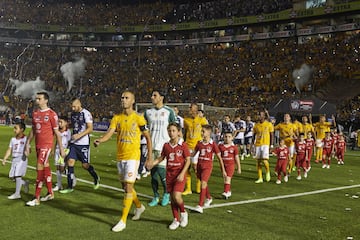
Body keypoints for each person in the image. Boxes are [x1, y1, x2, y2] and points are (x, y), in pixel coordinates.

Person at [93, 90, 152, 232]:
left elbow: (148, 138)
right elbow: (109, 133)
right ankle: (139, 206)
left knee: (129, 187)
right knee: (125, 188)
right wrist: (100, 140)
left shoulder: (139, 119)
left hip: (133, 156)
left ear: (133, 101)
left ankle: (123, 220)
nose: (123, 100)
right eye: (122, 98)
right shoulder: (116, 118)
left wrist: (149, 157)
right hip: (121, 157)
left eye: (126, 98)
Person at [146, 122, 190, 230]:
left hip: (179, 175)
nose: (171, 133)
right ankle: (175, 219)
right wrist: (153, 163)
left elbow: (188, 160)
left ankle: (184, 213)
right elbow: (162, 157)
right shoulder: (166, 145)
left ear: (178, 132)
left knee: (177, 196)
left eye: (173, 130)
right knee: (172, 198)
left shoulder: (183, 145)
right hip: (169, 174)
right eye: (169, 131)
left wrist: (182, 173)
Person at [24, 92, 65, 207]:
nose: (37, 101)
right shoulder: (35, 113)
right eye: (36, 98)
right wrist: (28, 143)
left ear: (46, 100)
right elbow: (33, 130)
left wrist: (61, 149)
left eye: (39, 99)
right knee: (45, 168)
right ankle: (50, 193)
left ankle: (36, 198)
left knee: (39, 168)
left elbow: (57, 133)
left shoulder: (52, 114)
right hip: (38, 145)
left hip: (46, 146)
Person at [60, 98, 100, 193]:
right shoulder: (73, 114)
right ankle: (70, 187)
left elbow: (90, 129)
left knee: (85, 165)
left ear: (79, 104)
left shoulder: (86, 113)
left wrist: (79, 135)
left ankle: (95, 177)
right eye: (72, 106)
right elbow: (75, 126)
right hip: (74, 143)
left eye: (74, 106)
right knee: (70, 162)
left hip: (83, 144)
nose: (73, 108)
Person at [144, 90, 176, 207]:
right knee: (153, 174)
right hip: (151, 147)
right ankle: (156, 196)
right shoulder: (148, 112)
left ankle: (167, 193)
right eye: (152, 95)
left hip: (164, 147)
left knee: (162, 172)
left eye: (155, 95)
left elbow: (176, 128)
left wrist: (176, 143)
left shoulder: (169, 112)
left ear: (161, 97)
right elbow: (142, 127)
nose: (152, 97)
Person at [193, 124, 226, 213]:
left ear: (209, 132)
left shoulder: (213, 145)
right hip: (199, 165)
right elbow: (193, 154)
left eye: (203, 131)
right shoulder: (199, 143)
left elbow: (219, 158)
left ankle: (200, 205)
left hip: (207, 167)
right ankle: (209, 198)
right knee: (203, 183)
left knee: (203, 183)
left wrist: (223, 170)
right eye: (201, 131)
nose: (202, 133)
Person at [183, 103, 208, 195]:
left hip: (197, 147)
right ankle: (188, 188)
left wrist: (205, 143)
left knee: (196, 167)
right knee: (186, 167)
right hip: (187, 146)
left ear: (196, 110)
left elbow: (207, 131)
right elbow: (185, 131)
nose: (191, 111)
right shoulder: (186, 120)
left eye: (192, 109)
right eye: (190, 109)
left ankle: (198, 187)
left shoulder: (202, 120)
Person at [2, 122, 30, 199]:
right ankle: (24, 183)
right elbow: (9, 149)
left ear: (22, 129)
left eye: (16, 128)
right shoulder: (13, 139)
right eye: (14, 128)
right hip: (14, 159)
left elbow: (28, 149)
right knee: (12, 176)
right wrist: (5, 159)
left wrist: (27, 152)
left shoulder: (26, 139)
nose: (14, 130)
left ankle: (17, 194)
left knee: (17, 175)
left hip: (22, 159)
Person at [252, 111, 274, 183]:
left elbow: (271, 135)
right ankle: (260, 177)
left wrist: (271, 145)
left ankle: (267, 171)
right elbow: (254, 135)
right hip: (258, 144)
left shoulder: (268, 124)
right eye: (259, 115)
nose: (259, 116)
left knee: (264, 160)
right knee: (258, 161)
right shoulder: (256, 125)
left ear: (264, 116)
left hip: (265, 144)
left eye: (261, 115)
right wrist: (252, 144)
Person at [218, 131, 241, 199]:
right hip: (223, 165)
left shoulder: (234, 147)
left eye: (229, 137)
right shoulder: (220, 146)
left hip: (231, 165)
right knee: (225, 178)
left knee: (228, 178)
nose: (227, 138)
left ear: (232, 138)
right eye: (226, 137)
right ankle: (228, 191)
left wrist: (239, 167)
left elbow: (236, 157)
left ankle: (226, 192)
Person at [53, 116, 71, 191]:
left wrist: (67, 152)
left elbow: (69, 142)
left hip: (64, 151)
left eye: (61, 122)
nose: (59, 124)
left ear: (66, 123)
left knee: (62, 168)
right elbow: (56, 141)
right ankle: (59, 185)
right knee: (57, 167)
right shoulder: (57, 131)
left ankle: (70, 176)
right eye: (59, 122)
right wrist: (53, 150)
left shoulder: (68, 132)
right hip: (57, 150)